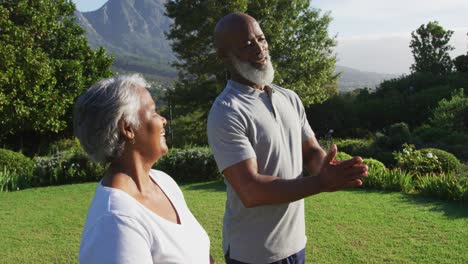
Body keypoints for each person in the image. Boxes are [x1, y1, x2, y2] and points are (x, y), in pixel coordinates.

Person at [207, 13, 368, 264]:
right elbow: (251, 191)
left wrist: (328, 167)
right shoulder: (227, 110)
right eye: (247, 44)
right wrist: (321, 182)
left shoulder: (289, 98)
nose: (259, 48)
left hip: (295, 245)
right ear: (223, 55)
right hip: (253, 254)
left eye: (261, 39)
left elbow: (310, 150)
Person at [75, 74, 213, 263]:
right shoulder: (115, 220)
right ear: (128, 128)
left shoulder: (163, 182)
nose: (163, 119)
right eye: (154, 111)